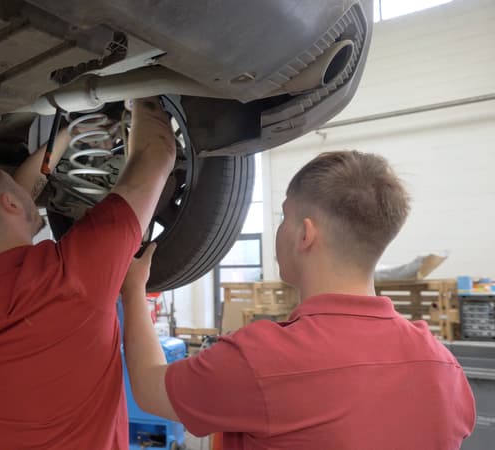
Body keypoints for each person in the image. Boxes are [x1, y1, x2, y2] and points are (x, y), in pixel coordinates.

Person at [122, 150, 476, 449]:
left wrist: (134, 290)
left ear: (305, 234)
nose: (280, 227)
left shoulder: (262, 360)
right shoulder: (443, 366)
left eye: (284, 216)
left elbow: (151, 388)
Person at [0, 97, 176, 449]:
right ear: (9, 202)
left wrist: (67, 134)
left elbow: (7, 204)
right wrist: (145, 90)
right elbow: (157, 152)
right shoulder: (73, 273)